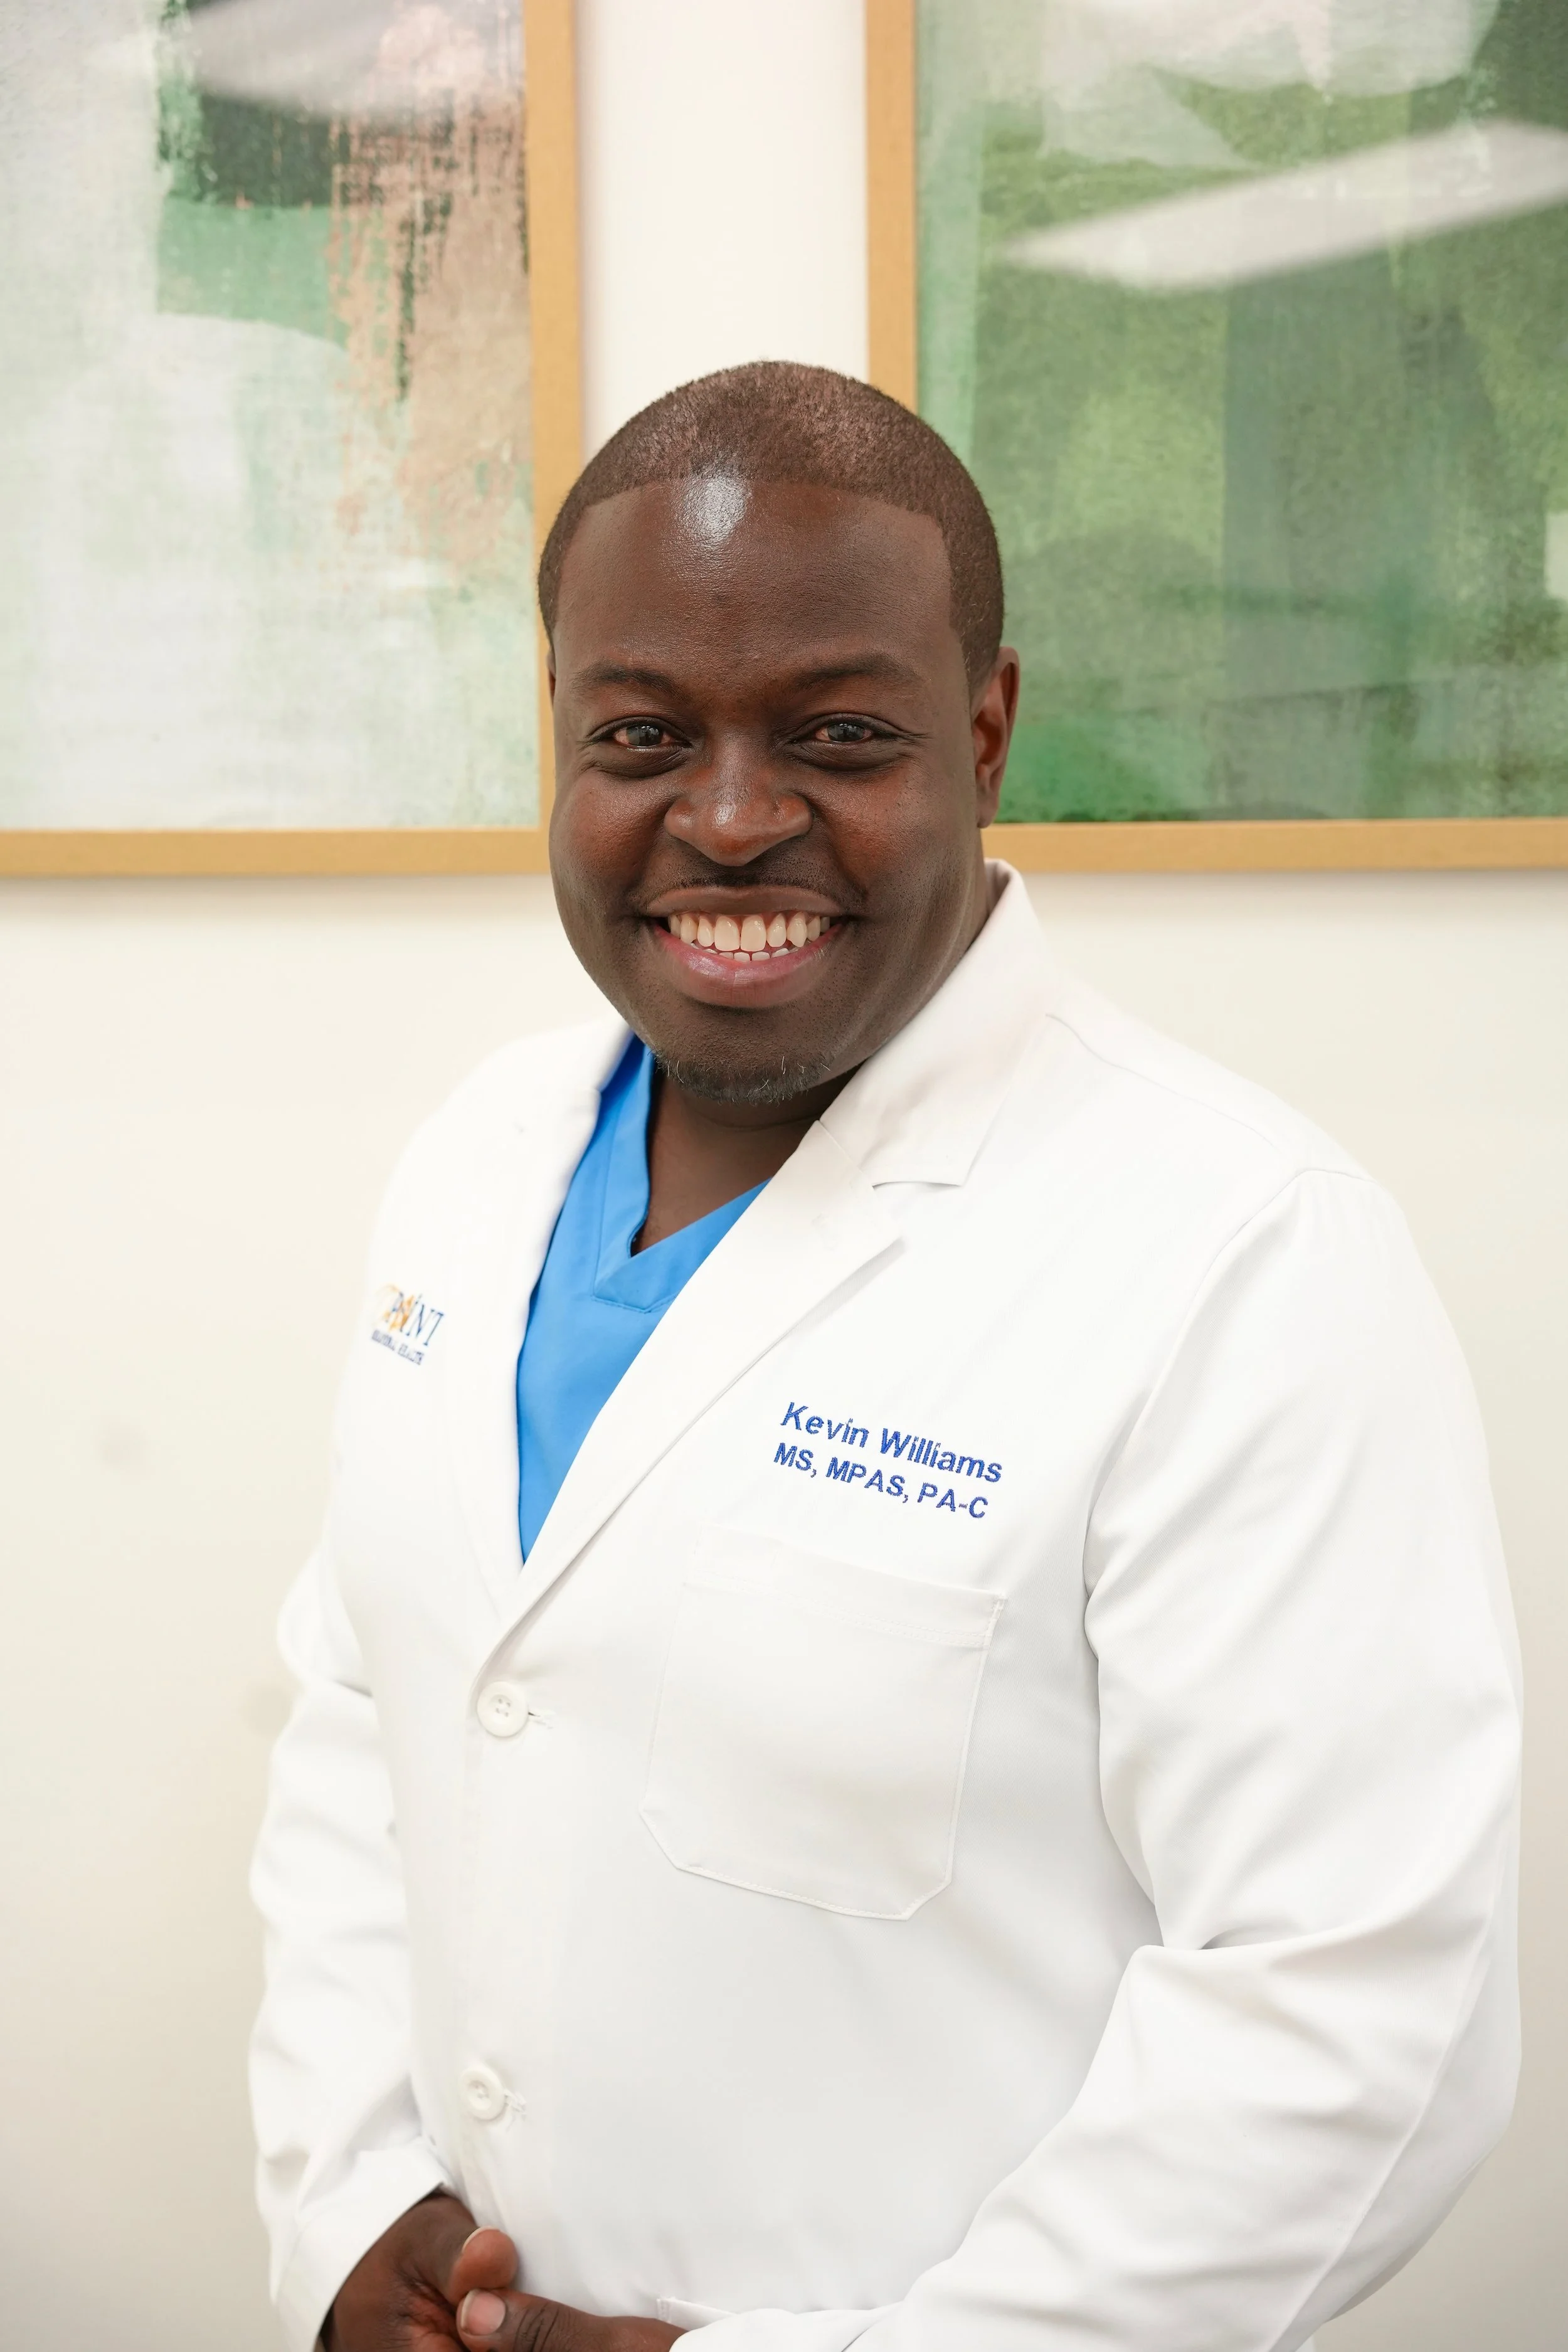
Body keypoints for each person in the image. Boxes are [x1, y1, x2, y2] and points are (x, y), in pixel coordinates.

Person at [251, 363, 1520, 2352]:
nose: (734, 820)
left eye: (838, 732)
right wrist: (345, 2199)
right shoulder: (474, 1161)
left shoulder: (1239, 1252)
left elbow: (1351, 2008)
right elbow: (366, 1706)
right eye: (640, 732)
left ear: (986, 727)